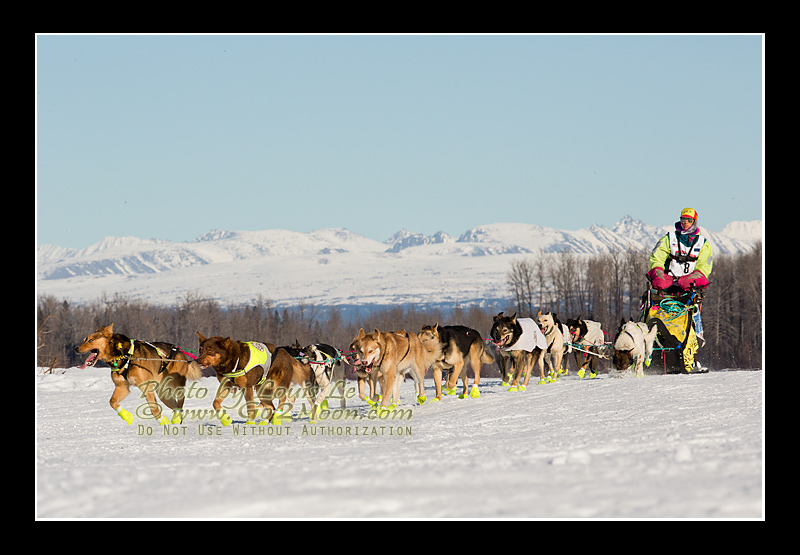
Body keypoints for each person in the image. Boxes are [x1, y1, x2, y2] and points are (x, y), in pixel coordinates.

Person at [647, 207, 713, 291]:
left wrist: (695, 276)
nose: (686, 222)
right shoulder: (669, 239)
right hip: (668, 284)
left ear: (694, 222)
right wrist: (659, 273)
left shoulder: (703, 244)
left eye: (689, 220)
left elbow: (705, 266)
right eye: (683, 219)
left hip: (690, 287)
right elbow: (657, 257)